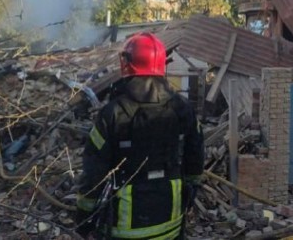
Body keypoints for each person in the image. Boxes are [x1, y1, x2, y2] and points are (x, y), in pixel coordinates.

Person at [76, 32, 204, 239]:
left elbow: (94, 172)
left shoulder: (113, 113)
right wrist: (190, 189)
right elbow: (195, 157)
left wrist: (84, 216)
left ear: (127, 63)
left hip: (125, 228)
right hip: (171, 223)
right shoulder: (182, 108)